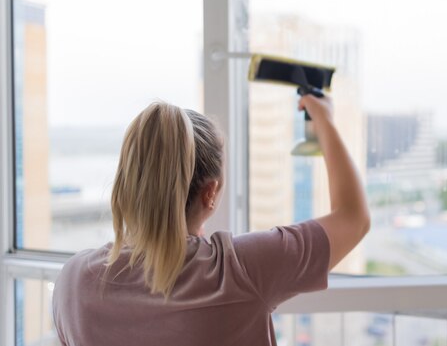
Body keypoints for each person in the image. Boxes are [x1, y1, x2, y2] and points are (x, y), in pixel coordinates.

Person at [52, 94, 369, 346]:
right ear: (210, 193)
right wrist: (324, 120)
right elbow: (353, 219)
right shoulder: (238, 269)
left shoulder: (74, 282)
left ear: (128, 183)